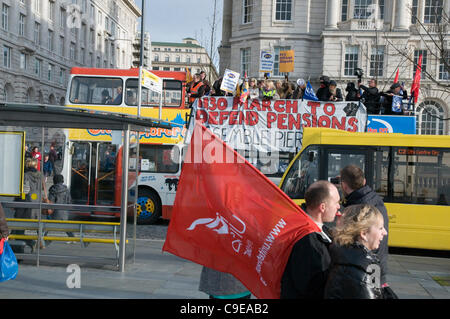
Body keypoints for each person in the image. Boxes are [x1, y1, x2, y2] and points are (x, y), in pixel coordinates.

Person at [281, 180, 341, 299]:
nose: (339, 206)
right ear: (322, 207)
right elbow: (312, 287)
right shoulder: (308, 240)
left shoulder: (304, 225)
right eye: (336, 202)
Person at [339, 164, 390, 289]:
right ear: (364, 181)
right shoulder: (374, 198)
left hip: (367, 268)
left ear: (344, 186)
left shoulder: (359, 208)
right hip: (378, 266)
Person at [324, 204, 387, 299]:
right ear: (364, 233)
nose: (385, 232)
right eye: (380, 228)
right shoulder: (362, 272)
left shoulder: (345, 257)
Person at [47, 174, 74, 241]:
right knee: (66, 226)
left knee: (46, 225)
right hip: (64, 212)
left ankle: (42, 238)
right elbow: (69, 201)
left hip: (55, 212)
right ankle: (73, 238)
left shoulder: (53, 190)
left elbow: (51, 202)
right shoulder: (66, 189)